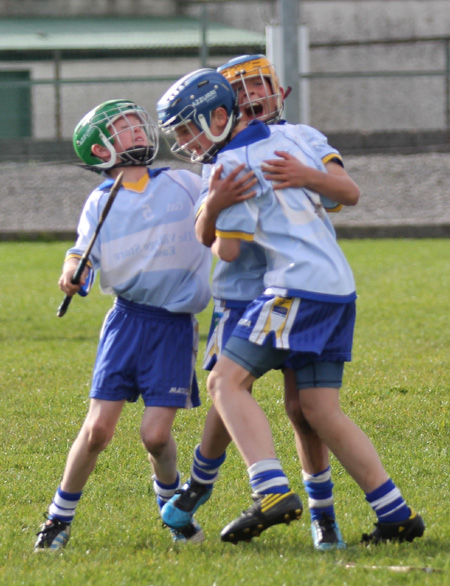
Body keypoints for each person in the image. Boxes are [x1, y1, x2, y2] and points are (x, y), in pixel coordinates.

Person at [156, 68, 425, 546]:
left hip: (294, 287)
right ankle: (395, 514)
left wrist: (212, 206)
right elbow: (339, 189)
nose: (183, 142)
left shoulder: (229, 165)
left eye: (186, 128)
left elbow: (228, 250)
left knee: (225, 381)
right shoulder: (297, 139)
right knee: (319, 408)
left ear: (219, 116)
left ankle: (271, 490)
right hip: (338, 286)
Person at [34, 99, 212, 551]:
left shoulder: (183, 182)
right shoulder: (99, 202)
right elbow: (83, 254)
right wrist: (72, 273)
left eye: (137, 125)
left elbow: (218, 203)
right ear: (99, 151)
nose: (137, 132)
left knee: (155, 436)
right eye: (124, 129)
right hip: (127, 322)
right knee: (98, 431)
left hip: (174, 327)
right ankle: (58, 518)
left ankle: (171, 508)